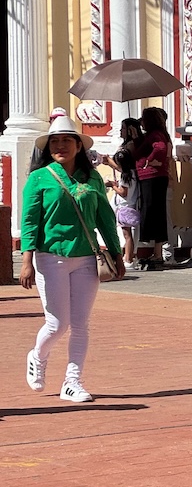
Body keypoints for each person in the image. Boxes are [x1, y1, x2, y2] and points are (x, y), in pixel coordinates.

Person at [21, 114, 126, 403]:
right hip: (50, 257)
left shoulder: (92, 178)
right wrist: (27, 261)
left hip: (86, 259)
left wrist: (116, 254)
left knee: (80, 324)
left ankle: (72, 382)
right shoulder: (39, 178)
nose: (61, 146)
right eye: (55, 141)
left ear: (79, 146)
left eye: (67, 140)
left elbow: (105, 218)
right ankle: (38, 356)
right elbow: (29, 221)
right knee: (57, 325)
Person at [103, 118, 143, 270]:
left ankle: (128, 258)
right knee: (126, 234)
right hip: (126, 205)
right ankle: (127, 256)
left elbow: (123, 192)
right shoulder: (130, 174)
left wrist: (113, 185)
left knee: (127, 235)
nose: (121, 131)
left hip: (125, 205)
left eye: (123, 128)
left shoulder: (127, 175)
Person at [135, 107, 172, 269]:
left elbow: (160, 148)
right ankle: (157, 252)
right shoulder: (155, 134)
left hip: (152, 176)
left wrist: (147, 161)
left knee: (153, 212)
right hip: (153, 177)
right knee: (156, 212)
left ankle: (157, 252)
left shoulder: (155, 135)